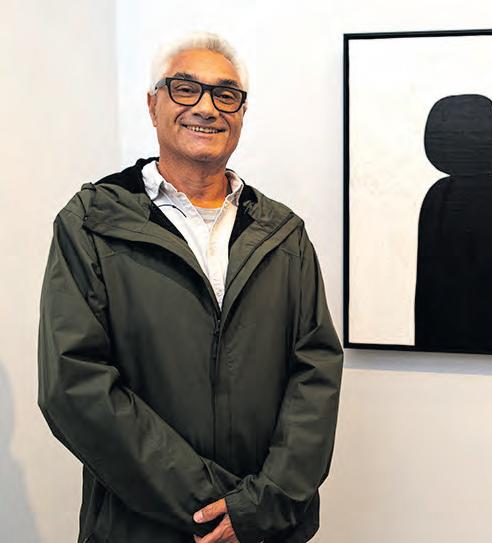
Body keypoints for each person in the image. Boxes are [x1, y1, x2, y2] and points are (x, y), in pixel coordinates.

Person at [37, 32, 343, 543]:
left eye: (226, 95)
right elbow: (74, 385)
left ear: (241, 114)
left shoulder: (283, 234)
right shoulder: (92, 222)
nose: (206, 107)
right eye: (185, 88)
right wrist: (214, 507)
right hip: (140, 528)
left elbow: (316, 374)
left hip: (264, 528)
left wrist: (261, 506)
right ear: (153, 104)